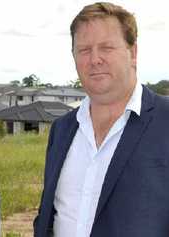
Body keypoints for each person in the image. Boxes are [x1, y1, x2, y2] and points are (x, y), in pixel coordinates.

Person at [34, 2, 169, 237]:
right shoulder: (62, 129)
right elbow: (49, 215)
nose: (94, 59)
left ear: (133, 52)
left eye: (106, 48)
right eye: (84, 50)